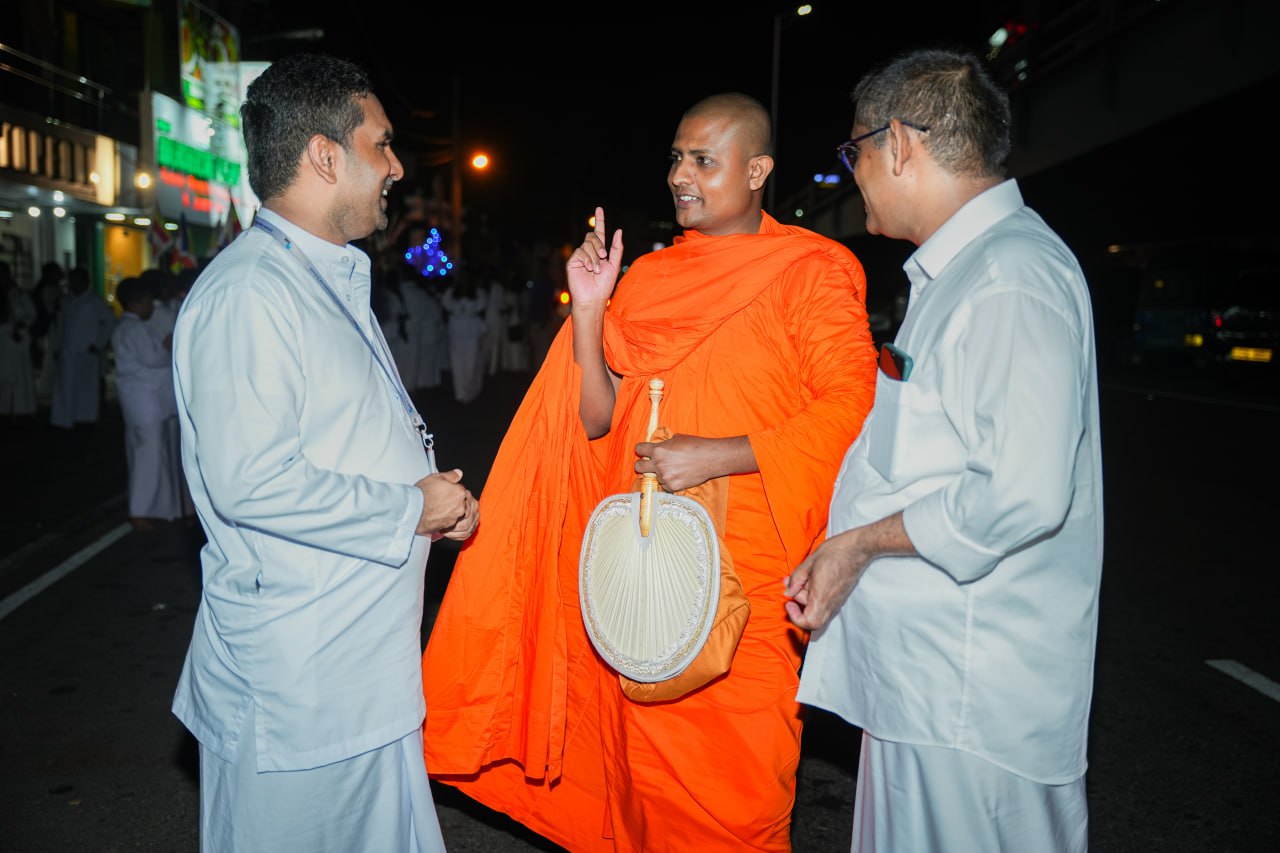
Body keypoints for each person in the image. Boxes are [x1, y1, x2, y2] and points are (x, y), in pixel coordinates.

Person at [422, 92, 878, 851]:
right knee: (636, 781)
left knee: (736, 798)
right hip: (640, 561)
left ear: (758, 169)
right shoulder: (650, 278)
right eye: (675, 157)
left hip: (749, 577)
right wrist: (593, 310)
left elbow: (853, 409)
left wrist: (721, 452)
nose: (681, 175)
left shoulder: (812, 269)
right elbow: (597, 417)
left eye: (704, 159)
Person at [783, 47, 1103, 853]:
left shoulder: (1011, 280)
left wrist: (858, 544)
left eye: (853, 151)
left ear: (899, 144)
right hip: (926, 687)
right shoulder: (958, 273)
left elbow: (1022, 491)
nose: (852, 172)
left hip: (973, 702)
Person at [169, 52, 479, 853]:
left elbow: (337, 439)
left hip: (362, 675)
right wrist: (410, 509)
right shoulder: (251, 293)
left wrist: (425, 498)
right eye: (382, 144)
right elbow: (252, 481)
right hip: (298, 694)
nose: (398, 167)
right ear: (324, 155)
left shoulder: (321, 275)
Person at [109, 277, 185, 531]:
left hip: (142, 400)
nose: (151, 307)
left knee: (151, 455)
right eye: (146, 303)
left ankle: (160, 508)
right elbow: (153, 359)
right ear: (136, 303)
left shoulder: (128, 327)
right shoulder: (134, 329)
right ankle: (139, 510)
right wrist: (168, 346)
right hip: (145, 401)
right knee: (148, 457)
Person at [48, 267, 115, 430]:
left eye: (78, 280)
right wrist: (56, 346)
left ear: (86, 281)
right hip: (67, 350)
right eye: (73, 280)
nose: (75, 284)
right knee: (65, 385)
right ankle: (64, 418)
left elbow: (109, 321)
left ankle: (85, 418)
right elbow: (59, 325)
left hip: (87, 351)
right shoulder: (65, 300)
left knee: (86, 388)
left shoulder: (94, 301)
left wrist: (98, 343)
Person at [439, 271, 487, 404]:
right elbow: (446, 305)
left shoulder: (478, 294)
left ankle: (469, 390)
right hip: (456, 331)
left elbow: (481, 308)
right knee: (457, 363)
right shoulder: (451, 293)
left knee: (470, 361)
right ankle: (460, 392)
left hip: (471, 331)